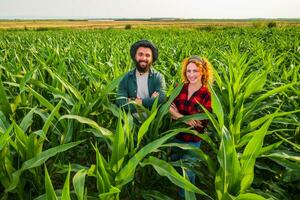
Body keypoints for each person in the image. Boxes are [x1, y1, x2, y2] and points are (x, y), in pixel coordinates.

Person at [169, 55, 213, 198]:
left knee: (187, 174)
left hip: (192, 141)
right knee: (175, 169)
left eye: (195, 71)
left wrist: (177, 114)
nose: (191, 74)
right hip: (175, 137)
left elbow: (200, 123)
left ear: (203, 72)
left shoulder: (207, 94)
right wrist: (184, 118)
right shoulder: (179, 87)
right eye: (188, 71)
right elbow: (168, 107)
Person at [116, 40, 166, 113]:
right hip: (131, 120)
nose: (143, 58)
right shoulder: (126, 77)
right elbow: (120, 100)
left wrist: (135, 101)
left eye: (147, 55)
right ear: (135, 56)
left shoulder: (158, 77)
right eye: (140, 54)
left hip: (153, 121)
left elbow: (161, 98)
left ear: (152, 59)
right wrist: (150, 101)